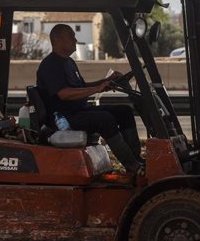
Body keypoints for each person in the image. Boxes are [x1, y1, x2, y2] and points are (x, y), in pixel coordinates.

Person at [36, 23, 143, 174]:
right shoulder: (50, 65)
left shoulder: (69, 62)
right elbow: (64, 93)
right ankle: (133, 167)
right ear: (58, 40)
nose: (75, 40)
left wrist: (105, 82)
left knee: (124, 111)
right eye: (71, 37)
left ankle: (137, 158)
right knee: (104, 119)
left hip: (79, 111)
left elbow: (81, 86)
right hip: (64, 119)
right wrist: (96, 89)